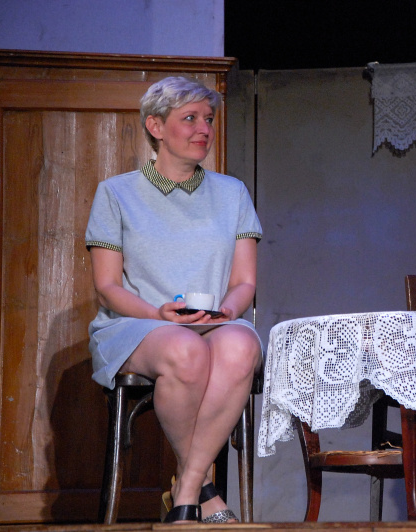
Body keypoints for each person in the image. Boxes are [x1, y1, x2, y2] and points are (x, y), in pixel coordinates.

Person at [85, 76, 262, 524]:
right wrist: (157, 313)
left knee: (242, 345)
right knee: (185, 350)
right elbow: (107, 286)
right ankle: (205, 493)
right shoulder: (116, 193)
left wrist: (229, 310)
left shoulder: (232, 193)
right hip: (138, 323)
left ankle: (185, 487)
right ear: (156, 126)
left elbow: (244, 281)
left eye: (209, 119)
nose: (204, 128)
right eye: (190, 118)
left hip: (213, 321)